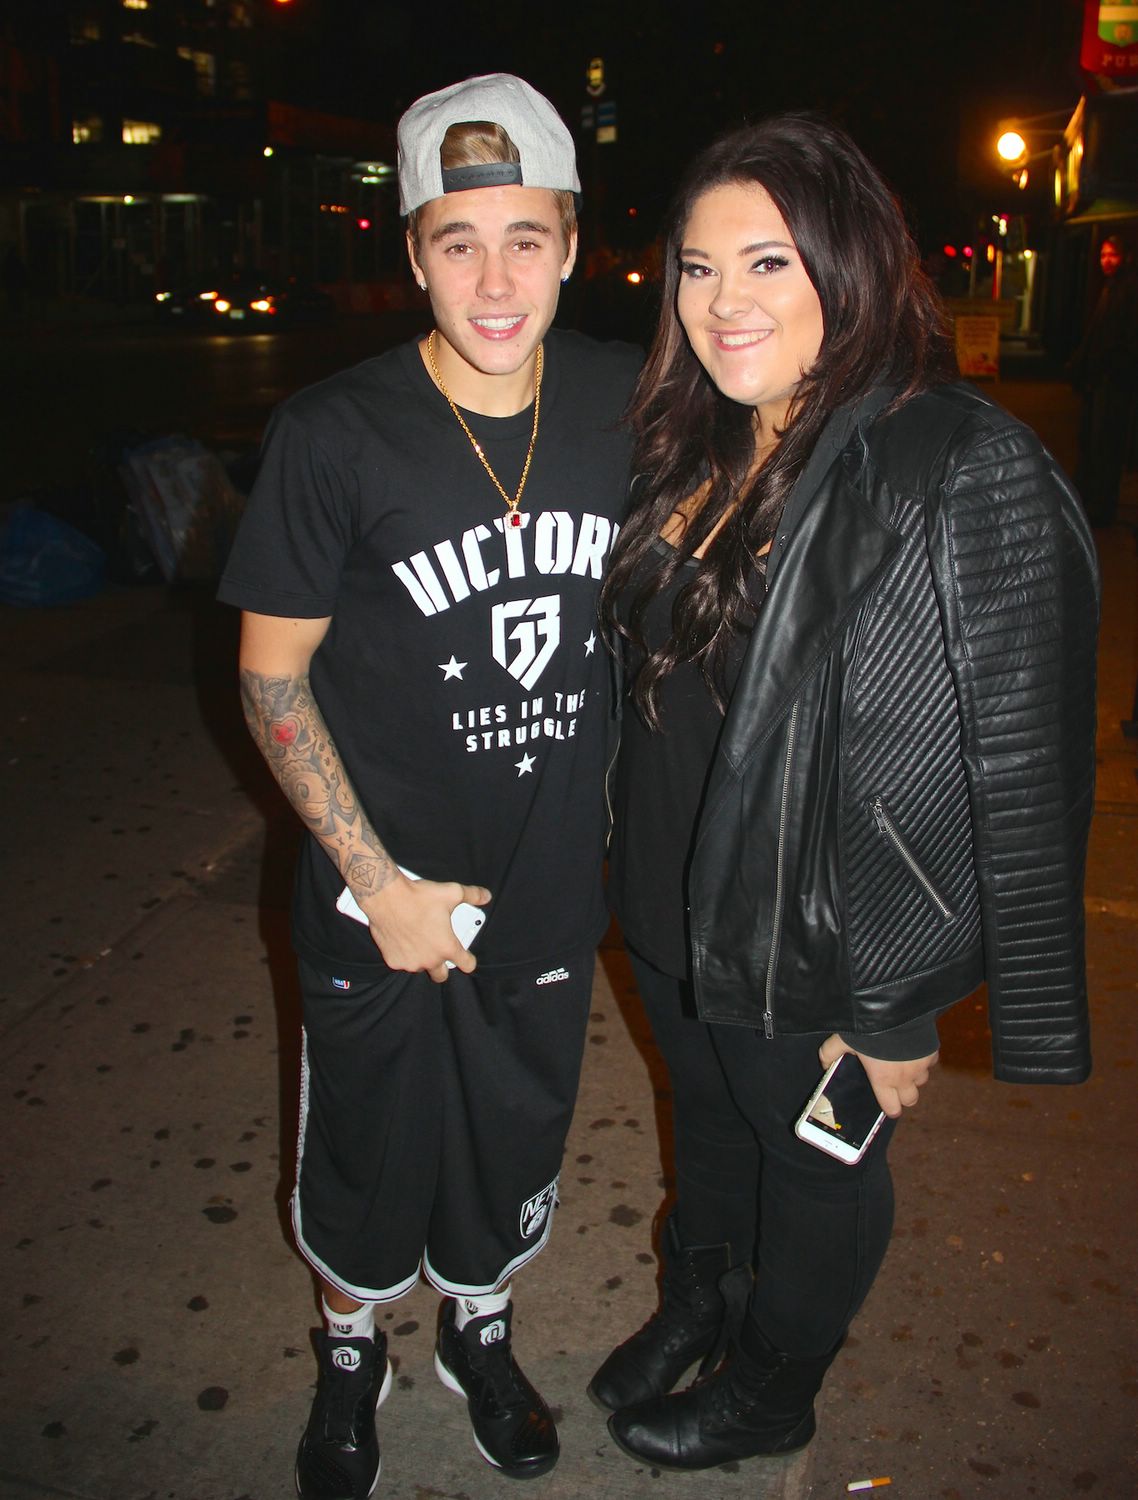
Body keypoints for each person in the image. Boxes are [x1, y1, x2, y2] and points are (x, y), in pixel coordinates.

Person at [589, 113, 1099, 1471]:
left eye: (766, 262)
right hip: (671, 901)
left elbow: (996, 758)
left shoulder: (943, 462)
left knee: (814, 1166)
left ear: (851, 267)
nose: (722, 302)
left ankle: (772, 1383)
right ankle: (702, 1292)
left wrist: (895, 1008)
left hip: (814, 937)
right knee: (705, 1122)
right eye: (696, 268)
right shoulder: (700, 443)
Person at [217, 73, 640, 1496]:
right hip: (377, 901)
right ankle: (351, 1352)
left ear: (575, 242)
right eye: (455, 240)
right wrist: (372, 882)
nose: (494, 276)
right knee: (364, 1153)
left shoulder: (628, 399)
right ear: (410, 252)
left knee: (512, 1131)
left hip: (542, 894)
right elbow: (270, 679)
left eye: (525, 235)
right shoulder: (334, 437)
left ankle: (479, 1327)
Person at [1071, 232, 1138, 526]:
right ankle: (1093, 499)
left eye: (1113, 255)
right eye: (1103, 255)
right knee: (1093, 441)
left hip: (1114, 381)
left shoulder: (1128, 290)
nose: (1107, 261)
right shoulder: (1109, 289)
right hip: (1101, 380)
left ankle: (1102, 505)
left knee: (1107, 443)